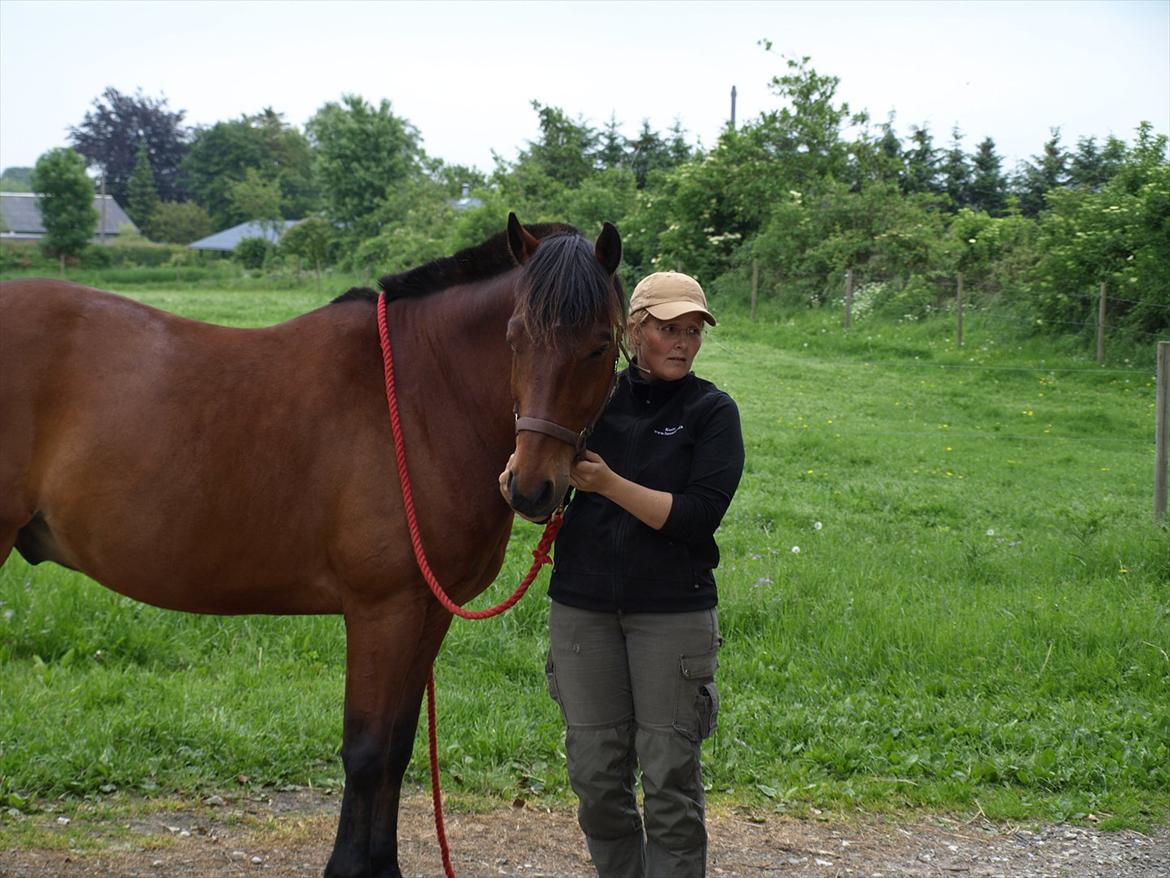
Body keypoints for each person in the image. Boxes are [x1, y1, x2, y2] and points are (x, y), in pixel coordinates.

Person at [540, 271, 744, 878]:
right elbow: (544, 484)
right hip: (582, 607)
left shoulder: (711, 411)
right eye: (667, 329)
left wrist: (608, 485)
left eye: (691, 331)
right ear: (634, 331)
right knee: (596, 776)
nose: (682, 342)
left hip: (672, 614)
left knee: (669, 780)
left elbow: (695, 517)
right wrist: (521, 485)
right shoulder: (592, 398)